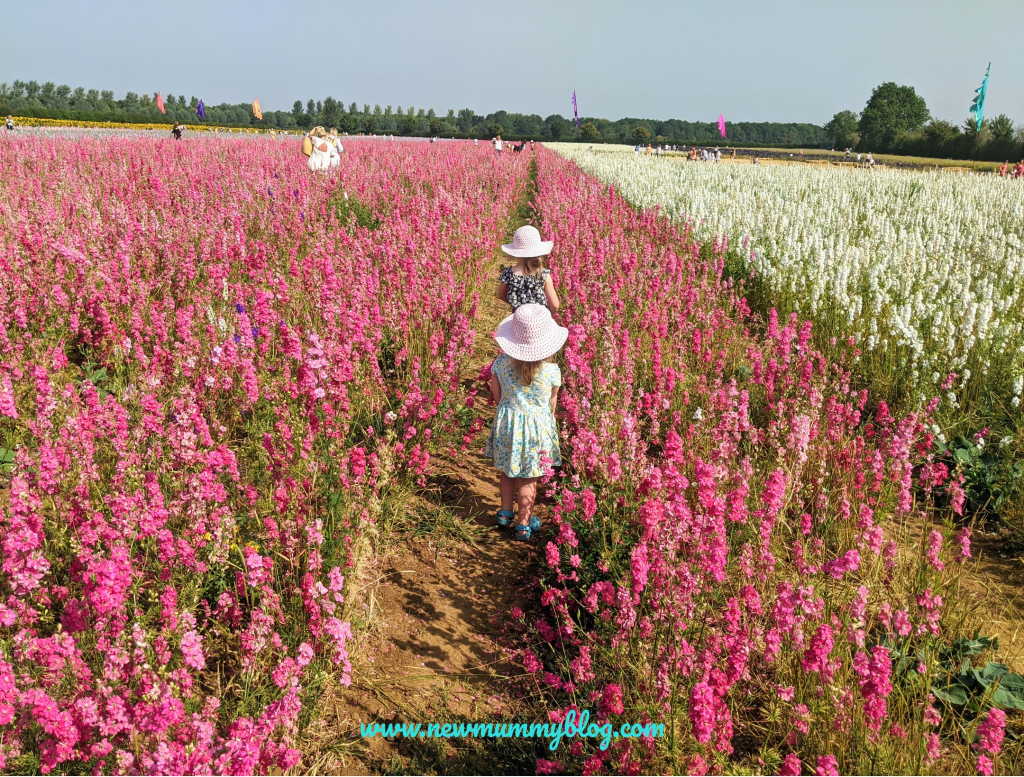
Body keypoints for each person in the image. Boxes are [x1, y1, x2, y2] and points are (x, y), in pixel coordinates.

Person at [485, 303, 567, 540]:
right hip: (536, 430)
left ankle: (505, 513)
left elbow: (498, 397)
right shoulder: (552, 371)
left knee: (508, 472)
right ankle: (523, 524)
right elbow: (551, 405)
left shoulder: (500, 364)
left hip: (508, 424)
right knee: (529, 477)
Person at [497, 225, 560, 312]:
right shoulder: (544, 275)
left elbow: (501, 295)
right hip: (539, 321)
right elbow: (555, 305)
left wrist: (517, 306)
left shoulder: (508, 273)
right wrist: (548, 317)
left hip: (518, 319)